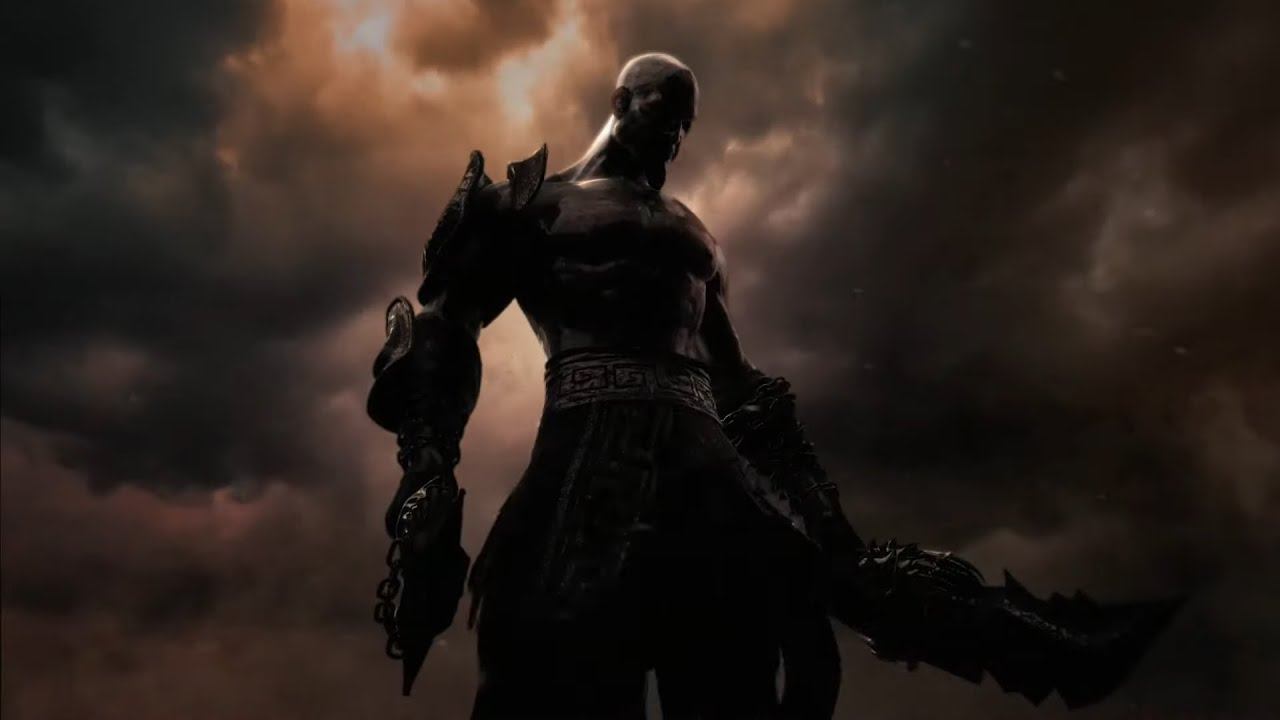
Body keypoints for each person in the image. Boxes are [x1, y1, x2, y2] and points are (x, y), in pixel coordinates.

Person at [368, 53, 1177, 719]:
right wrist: (428, 470)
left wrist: (825, 521)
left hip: (706, 464)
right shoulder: (528, 206)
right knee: (553, 667)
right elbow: (443, 325)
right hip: (584, 455)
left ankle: (1035, 641)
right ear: (622, 102)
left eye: (686, 125)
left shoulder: (693, 234)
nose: (675, 136)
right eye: (664, 112)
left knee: (776, 648)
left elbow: (738, 384)